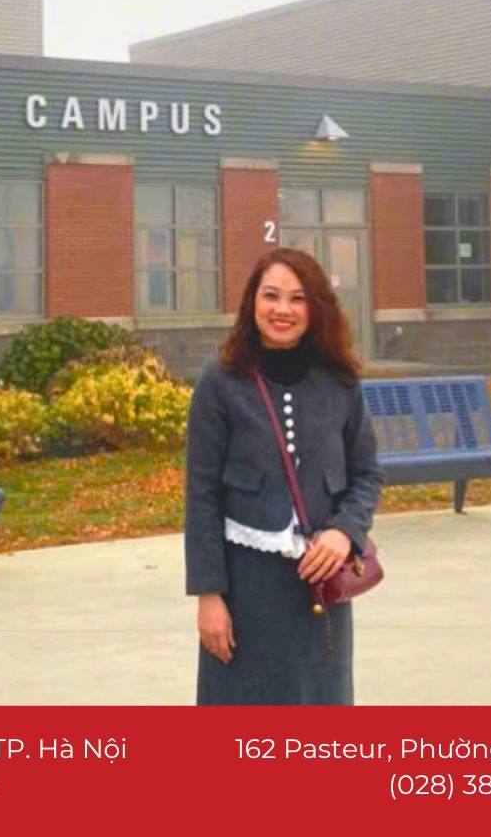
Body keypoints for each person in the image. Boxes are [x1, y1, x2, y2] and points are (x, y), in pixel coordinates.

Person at [184, 247, 384, 705]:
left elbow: (367, 473)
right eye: (271, 295)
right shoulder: (220, 382)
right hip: (245, 591)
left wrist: (345, 532)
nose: (282, 309)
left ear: (316, 308)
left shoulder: (340, 381)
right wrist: (208, 596)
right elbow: (201, 497)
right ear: (252, 302)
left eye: (297, 299)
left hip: (319, 589)